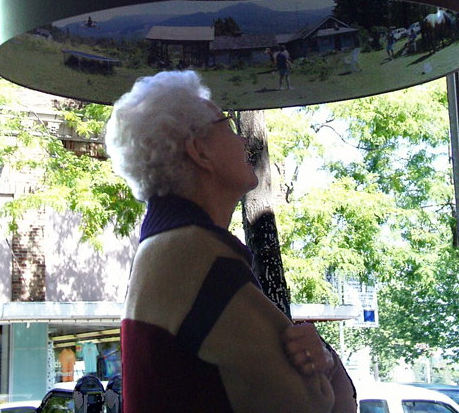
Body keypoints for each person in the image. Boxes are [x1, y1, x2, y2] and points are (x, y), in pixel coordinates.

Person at [105, 70, 356, 412]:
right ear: (199, 152)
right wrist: (327, 363)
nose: (243, 140)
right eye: (228, 125)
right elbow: (313, 405)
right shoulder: (198, 258)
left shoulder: (163, 249)